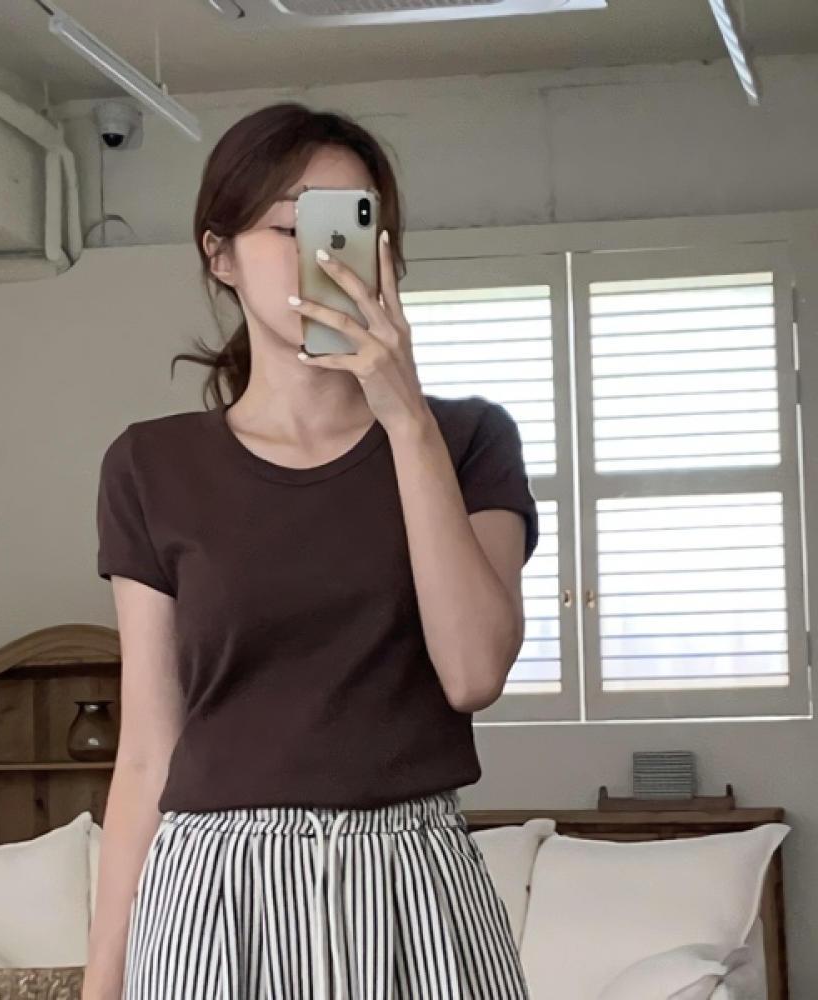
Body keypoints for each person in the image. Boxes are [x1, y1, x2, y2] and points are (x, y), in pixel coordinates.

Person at [84, 102, 539, 1000]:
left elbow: (473, 673)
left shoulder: (468, 440)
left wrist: (405, 417)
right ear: (220, 255)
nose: (323, 260)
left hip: (414, 881)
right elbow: (146, 750)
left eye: (351, 226)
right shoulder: (149, 466)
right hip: (213, 894)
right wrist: (101, 982)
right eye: (291, 228)